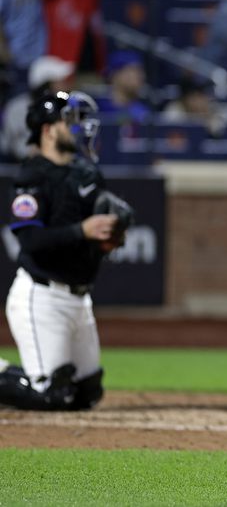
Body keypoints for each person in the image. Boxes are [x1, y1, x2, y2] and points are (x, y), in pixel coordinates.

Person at [0, 90, 131, 410]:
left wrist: (111, 235)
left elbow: (97, 236)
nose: (79, 126)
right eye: (69, 120)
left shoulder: (86, 173)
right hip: (42, 295)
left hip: (79, 298)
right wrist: (82, 230)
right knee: (50, 394)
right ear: (48, 130)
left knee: (86, 394)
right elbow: (30, 241)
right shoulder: (32, 176)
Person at [2, 55, 74, 161]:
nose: (66, 86)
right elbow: (16, 145)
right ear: (46, 86)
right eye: (60, 82)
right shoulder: (18, 108)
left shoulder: (65, 107)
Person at [162, 77, 227, 138]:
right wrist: (202, 120)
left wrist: (212, 117)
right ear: (184, 98)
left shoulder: (216, 108)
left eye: (202, 95)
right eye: (194, 96)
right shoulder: (174, 109)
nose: (198, 101)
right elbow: (171, 126)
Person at [95, 50, 150, 125]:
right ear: (115, 75)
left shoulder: (142, 111)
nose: (140, 76)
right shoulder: (98, 108)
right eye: (133, 70)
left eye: (140, 71)